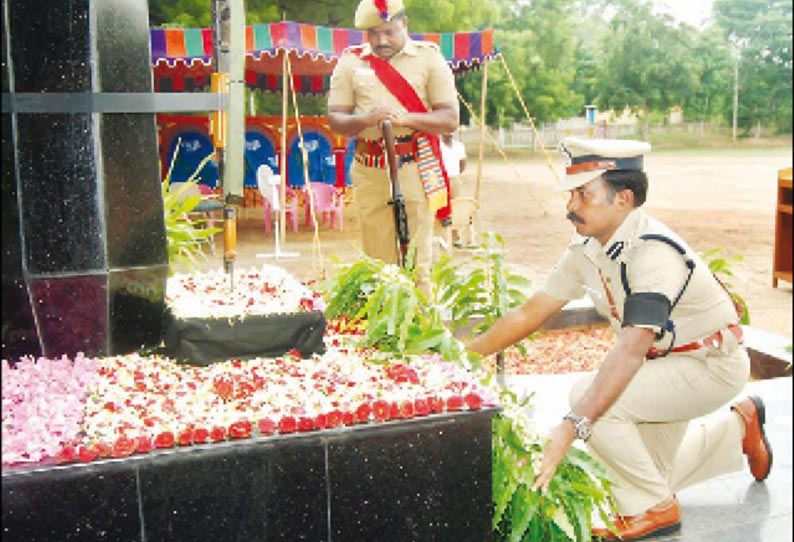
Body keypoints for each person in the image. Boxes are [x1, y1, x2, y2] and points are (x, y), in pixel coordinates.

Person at [466, 136, 773, 541]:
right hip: (665, 367)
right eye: (571, 194)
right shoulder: (588, 248)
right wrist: (457, 357)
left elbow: (630, 350)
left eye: (583, 194)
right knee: (644, 472)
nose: (570, 206)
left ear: (623, 199)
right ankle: (738, 432)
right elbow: (530, 312)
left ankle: (655, 510)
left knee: (590, 402)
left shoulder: (652, 252)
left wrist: (571, 427)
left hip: (708, 366)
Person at [327, 0, 459, 293]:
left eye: (388, 32)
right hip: (370, 169)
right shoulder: (350, 61)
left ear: (405, 24)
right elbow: (336, 119)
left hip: (414, 165)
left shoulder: (429, 58)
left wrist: (406, 118)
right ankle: (386, 333)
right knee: (379, 266)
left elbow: (450, 118)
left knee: (417, 263)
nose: (380, 41)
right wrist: (367, 119)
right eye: (372, 34)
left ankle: (424, 332)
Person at [440, 132, 467, 198]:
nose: (449, 133)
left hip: (455, 179)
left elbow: (462, 164)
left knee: (456, 202)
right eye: (446, 130)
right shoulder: (438, 145)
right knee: (443, 202)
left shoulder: (459, 146)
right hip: (441, 180)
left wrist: (455, 174)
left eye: (451, 131)